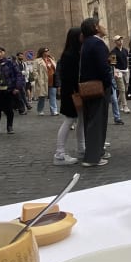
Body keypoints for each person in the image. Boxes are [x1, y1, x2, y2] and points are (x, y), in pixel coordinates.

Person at [79, 16, 111, 167]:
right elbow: (103, 68)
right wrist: (107, 83)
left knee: (91, 121)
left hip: (88, 85)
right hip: (98, 86)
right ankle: (93, 157)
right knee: (97, 122)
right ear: (96, 27)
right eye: (100, 24)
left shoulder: (86, 43)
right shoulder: (98, 44)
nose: (103, 27)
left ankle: (95, 152)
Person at [53, 27, 85, 165]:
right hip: (72, 92)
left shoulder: (72, 53)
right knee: (69, 120)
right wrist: (76, 90)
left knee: (81, 120)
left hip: (74, 91)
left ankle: (82, 148)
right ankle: (59, 153)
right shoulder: (70, 55)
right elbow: (70, 76)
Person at [111, 36, 130, 112]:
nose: (120, 41)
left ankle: (119, 103)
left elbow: (127, 60)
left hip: (125, 70)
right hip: (118, 71)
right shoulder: (113, 52)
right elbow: (112, 64)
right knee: (122, 89)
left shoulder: (125, 50)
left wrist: (128, 70)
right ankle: (125, 106)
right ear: (115, 42)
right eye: (118, 40)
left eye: (121, 39)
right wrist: (115, 71)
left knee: (125, 89)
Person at [32, 47, 51, 114]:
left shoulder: (51, 59)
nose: (47, 52)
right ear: (42, 52)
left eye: (48, 51)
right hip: (42, 80)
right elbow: (34, 70)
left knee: (52, 96)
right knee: (42, 97)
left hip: (51, 80)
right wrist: (38, 78)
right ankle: (40, 110)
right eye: (46, 51)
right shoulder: (37, 60)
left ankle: (54, 110)